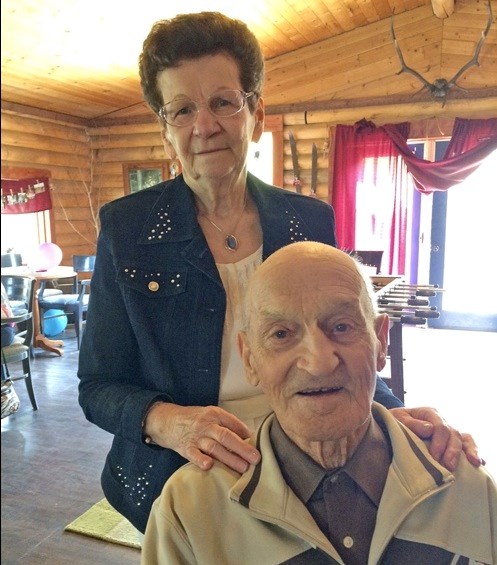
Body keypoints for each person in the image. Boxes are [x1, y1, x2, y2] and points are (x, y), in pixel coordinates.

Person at [77, 11, 481, 535]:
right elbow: (96, 386)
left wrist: (392, 415)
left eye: (223, 102)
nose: (205, 125)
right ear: (165, 129)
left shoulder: (309, 220)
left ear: (256, 114)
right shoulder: (126, 229)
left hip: (306, 460)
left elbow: (341, 344)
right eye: (182, 109)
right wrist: (169, 422)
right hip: (181, 475)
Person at [142, 242, 497, 565]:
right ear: (249, 360)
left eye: (342, 326)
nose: (319, 362)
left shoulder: (464, 485)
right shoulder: (190, 513)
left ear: (381, 342)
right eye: (281, 334)